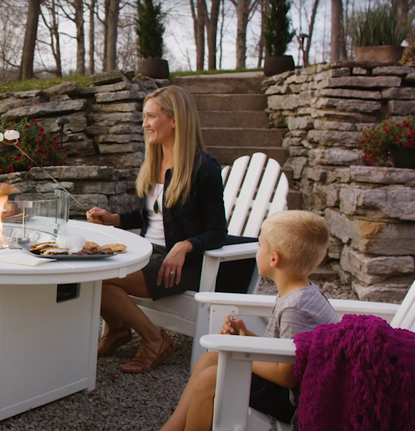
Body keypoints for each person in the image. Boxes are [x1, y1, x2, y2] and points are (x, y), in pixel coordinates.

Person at [86, 85, 227, 373]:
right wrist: (115, 219)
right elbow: (150, 216)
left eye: (151, 117)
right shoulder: (154, 161)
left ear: (175, 119)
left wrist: (186, 245)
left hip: (181, 265)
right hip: (147, 254)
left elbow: (218, 232)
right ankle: (118, 331)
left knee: (97, 279)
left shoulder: (204, 168)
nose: (144, 124)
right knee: (86, 268)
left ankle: (154, 340)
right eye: (144, 117)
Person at [160, 210, 339, 431]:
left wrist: (241, 355)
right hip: (285, 387)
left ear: (274, 258)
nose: (258, 251)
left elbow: (287, 376)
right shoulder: (299, 290)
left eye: (261, 246)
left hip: (295, 400)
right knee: (211, 360)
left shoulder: (296, 308)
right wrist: (247, 338)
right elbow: (284, 350)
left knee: (212, 378)